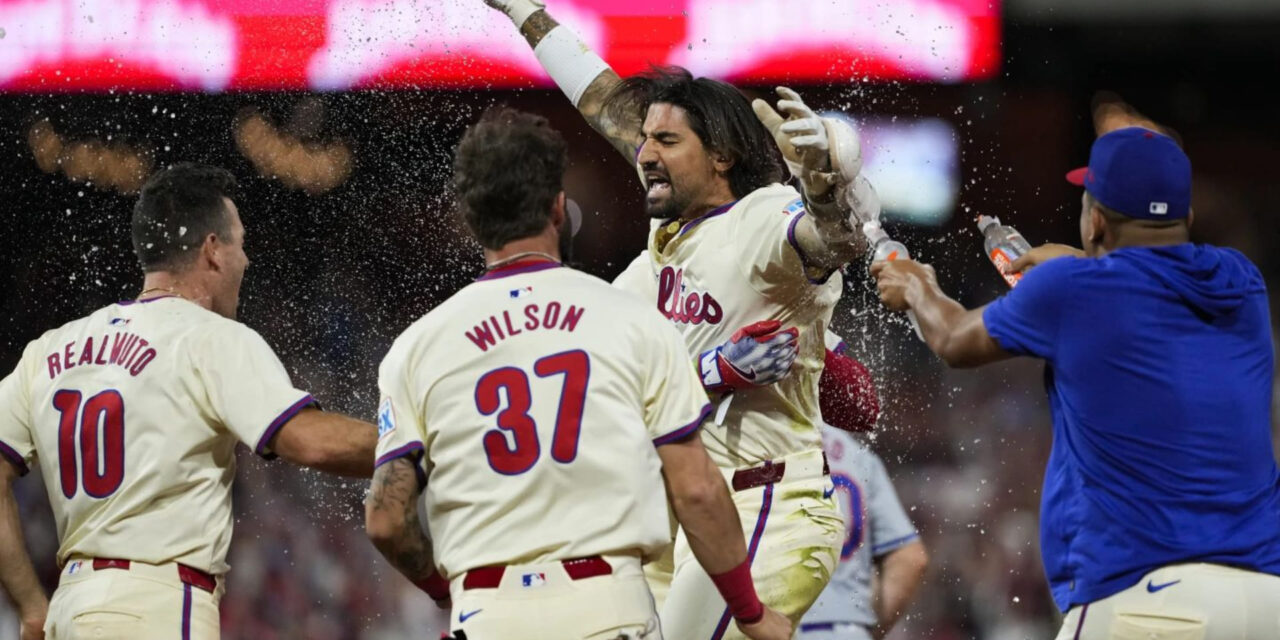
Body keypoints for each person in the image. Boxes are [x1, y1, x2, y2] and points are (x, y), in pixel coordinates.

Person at [482, 2, 884, 636]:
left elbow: (835, 240)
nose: (643, 151)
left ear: (721, 157)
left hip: (764, 505)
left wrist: (828, 186)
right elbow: (604, 105)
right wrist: (526, 12)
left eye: (666, 141)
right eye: (643, 139)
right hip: (680, 510)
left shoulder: (757, 220)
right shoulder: (653, 261)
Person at [364, 107, 791, 640]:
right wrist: (750, 613)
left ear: (471, 221)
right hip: (605, 605)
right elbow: (698, 491)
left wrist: (442, 591)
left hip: (487, 611)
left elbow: (385, 520)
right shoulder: (632, 320)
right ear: (559, 210)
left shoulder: (416, 347)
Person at [871, 126, 1280, 638]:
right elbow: (1149, 286)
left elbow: (953, 339)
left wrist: (916, 285)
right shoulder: (1242, 283)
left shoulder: (1072, 290)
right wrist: (1085, 265)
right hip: (1265, 598)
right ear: (1187, 218)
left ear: (1096, 220)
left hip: (1147, 602)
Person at [0, 163, 378, 640]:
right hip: (156, 605)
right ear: (213, 250)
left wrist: (32, 605)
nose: (246, 260)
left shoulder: (52, 348)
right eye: (240, 244)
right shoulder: (209, 338)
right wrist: (418, 444)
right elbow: (310, 442)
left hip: (71, 606)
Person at [801, 348, 927, 640]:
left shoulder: (753, 445)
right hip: (848, 629)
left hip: (776, 626)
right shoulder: (856, 456)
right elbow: (910, 558)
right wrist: (867, 628)